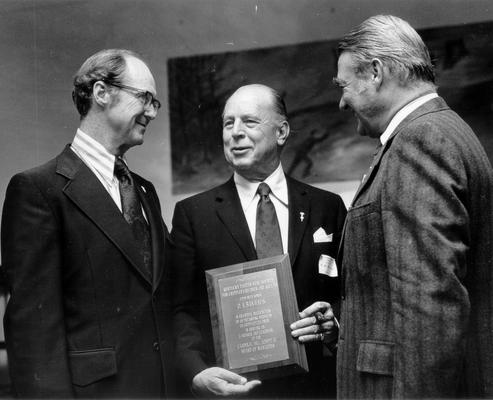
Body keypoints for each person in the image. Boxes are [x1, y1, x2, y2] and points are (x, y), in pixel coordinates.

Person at [333, 15, 493, 398]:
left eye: (343, 86)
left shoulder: (419, 140)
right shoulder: (443, 130)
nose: (341, 102)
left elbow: (430, 307)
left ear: (375, 72)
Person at [1, 49, 175, 398]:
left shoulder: (145, 190)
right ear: (101, 93)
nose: (153, 112)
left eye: (156, 102)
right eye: (145, 98)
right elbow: (34, 333)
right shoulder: (38, 190)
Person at [171, 84, 347, 398]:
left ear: (282, 132)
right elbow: (179, 309)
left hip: (316, 389)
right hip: (234, 391)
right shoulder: (193, 215)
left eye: (249, 122)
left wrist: (332, 324)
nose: (234, 133)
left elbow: (350, 294)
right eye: (228, 123)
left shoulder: (327, 207)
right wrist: (196, 372)